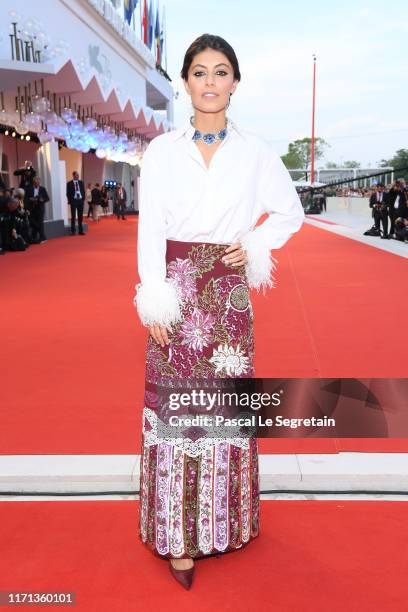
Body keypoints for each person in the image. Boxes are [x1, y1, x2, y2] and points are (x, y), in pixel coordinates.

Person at [133, 34, 305, 590]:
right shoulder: (160, 151)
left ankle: (223, 522)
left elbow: (289, 212)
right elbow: (151, 230)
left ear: (236, 82)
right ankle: (178, 538)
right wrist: (153, 296)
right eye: (200, 72)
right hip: (177, 289)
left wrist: (254, 246)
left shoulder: (255, 151)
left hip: (229, 294)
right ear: (185, 82)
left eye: (221, 71)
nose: (210, 82)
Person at [26, 176, 49, 243]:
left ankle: (36, 237)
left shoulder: (42, 189)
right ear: (33, 182)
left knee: (40, 223)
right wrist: (31, 199)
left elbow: (47, 198)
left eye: (38, 182)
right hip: (32, 208)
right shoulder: (29, 189)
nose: (37, 183)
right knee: (32, 222)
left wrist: (42, 199)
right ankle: (42, 236)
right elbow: (26, 198)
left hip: (40, 208)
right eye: (36, 182)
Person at [66, 171, 86, 235]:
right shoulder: (69, 183)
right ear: (73, 175)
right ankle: (73, 231)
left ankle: (80, 231)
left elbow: (83, 191)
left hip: (80, 200)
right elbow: (68, 193)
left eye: (78, 175)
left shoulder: (81, 182)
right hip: (73, 201)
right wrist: (70, 200)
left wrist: (83, 199)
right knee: (73, 216)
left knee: (80, 216)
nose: (78, 176)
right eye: (77, 175)